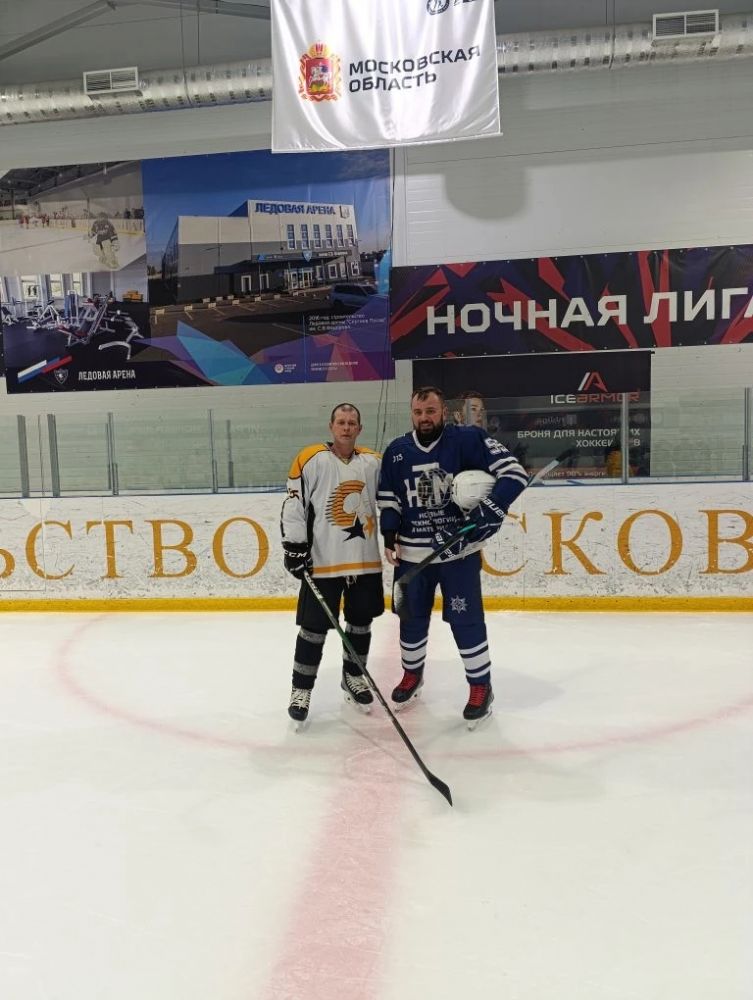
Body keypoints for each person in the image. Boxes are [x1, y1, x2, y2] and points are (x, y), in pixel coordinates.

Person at [377, 386, 529, 726]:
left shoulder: (468, 439)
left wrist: (492, 507)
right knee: (410, 619)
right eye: (418, 412)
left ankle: (480, 686)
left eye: (431, 411)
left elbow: (515, 473)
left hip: (457, 555)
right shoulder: (397, 451)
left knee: (466, 620)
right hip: (412, 556)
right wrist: (388, 534)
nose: (424, 418)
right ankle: (412, 674)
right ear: (412, 414)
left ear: (443, 412)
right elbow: (389, 499)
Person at [281, 403, 384, 725]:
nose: (346, 427)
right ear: (331, 426)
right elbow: (295, 505)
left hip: (364, 560)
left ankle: (353, 677)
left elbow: (392, 502)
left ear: (359, 428)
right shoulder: (311, 458)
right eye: (341, 422)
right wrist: (294, 547)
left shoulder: (374, 462)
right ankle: (301, 690)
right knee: (313, 629)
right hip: (323, 561)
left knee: (361, 624)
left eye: (352, 423)